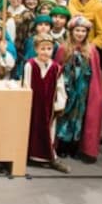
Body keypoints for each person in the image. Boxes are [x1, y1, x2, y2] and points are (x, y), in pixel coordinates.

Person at [55, 15, 102, 163]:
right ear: (71, 31)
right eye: (77, 30)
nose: (80, 34)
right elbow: (58, 68)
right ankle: (62, 146)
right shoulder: (63, 48)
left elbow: (94, 72)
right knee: (65, 115)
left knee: (79, 117)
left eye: (83, 31)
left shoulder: (92, 51)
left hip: (83, 90)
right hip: (67, 88)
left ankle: (75, 146)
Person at [23, 33, 70, 173]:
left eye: (49, 49)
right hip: (34, 106)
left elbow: (60, 87)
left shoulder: (56, 68)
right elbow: (26, 85)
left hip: (49, 107)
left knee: (49, 131)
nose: (45, 52)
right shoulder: (30, 65)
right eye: (42, 48)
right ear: (36, 49)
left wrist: (60, 104)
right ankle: (30, 155)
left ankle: (50, 157)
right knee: (32, 130)